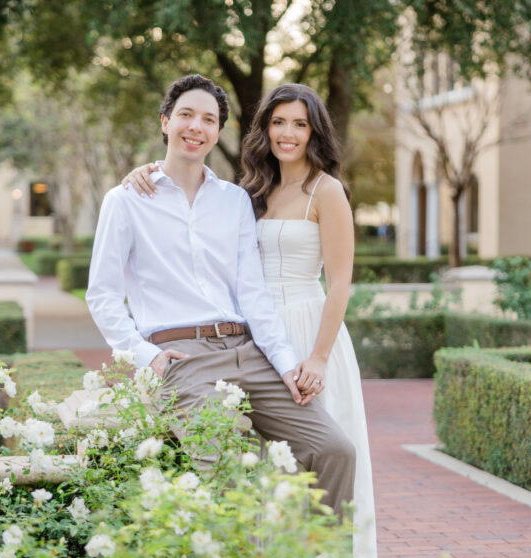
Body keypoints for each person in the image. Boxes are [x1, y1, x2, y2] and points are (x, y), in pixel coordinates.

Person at [124, 82, 378, 558]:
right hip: (254, 333)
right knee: (263, 466)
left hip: (307, 328)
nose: (288, 133)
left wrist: (318, 357)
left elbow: (340, 281)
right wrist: (146, 171)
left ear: (315, 132)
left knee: (327, 450)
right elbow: (194, 201)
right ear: (263, 128)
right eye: (279, 122)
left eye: (300, 124)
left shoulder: (326, 190)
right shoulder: (250, 192)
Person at [86, 74, 356, 525]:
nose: (196, 126)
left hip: (247, 351)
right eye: (186, 115)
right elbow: (103, 295)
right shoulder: (126, 199)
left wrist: (286, 365)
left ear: (218, 132)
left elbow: (253, 294)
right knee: (231, 472)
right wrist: (147, 357)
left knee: (334, 449)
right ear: (165, 122)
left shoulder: (234, 201)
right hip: (182, 358)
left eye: (208, 119)